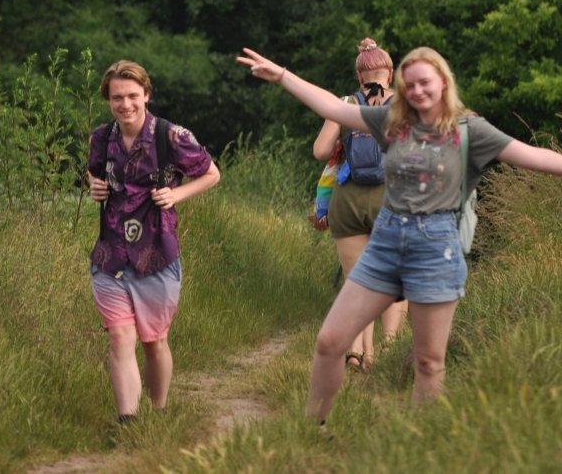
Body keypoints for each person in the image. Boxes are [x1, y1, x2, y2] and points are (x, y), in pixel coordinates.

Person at [237, 45, 562, 425]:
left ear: (443, 81)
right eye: (410, 85)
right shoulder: (393, 122)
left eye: (425, 82)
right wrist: (282, 76)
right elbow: (333, 109)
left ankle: (419, 443)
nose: (418, 91)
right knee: (330, 341)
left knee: (428, 361)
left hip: (435, 248)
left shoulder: (470, 130)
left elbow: (535, 156)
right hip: (386, 243)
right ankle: (313, 427)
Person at [87, 60, 220, 423]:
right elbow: (94, 172)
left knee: (154, 341)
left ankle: (158, 415)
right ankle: (128, 422)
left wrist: (177, 195)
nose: (125, 104)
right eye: (117, 98)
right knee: (119, 336)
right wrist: (93, 185)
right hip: (109, 255)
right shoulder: (101, 137)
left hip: (157, 254)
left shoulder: (172, 136)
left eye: (132, 96)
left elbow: (211, 174)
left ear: (146, 95)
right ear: (109, 100)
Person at [311, 38, 407, 371]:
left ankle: (356, 349)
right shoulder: (404, 105)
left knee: (359, 279)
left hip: (349, 201)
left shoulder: (346, 103)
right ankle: (386, 349)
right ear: (391, 73)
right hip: (393, 200)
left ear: (358, 76)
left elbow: (321, 151)